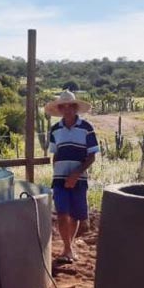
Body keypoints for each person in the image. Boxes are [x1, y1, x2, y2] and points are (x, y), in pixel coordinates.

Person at [45, 90, 99, 264]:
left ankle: (69, 246)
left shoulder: (87, 128)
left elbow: (91, 156)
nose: (67, 109)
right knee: (62, 212)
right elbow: (55, 154)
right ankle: (67, 248)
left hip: (79, 178)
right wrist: (58, 172)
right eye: (64, 106)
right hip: (59, 178)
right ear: (60, 109)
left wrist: (77, 173)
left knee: (75, 215)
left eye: (70, 106)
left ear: (75, 108)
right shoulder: (55, 129)